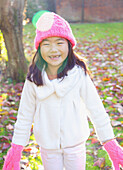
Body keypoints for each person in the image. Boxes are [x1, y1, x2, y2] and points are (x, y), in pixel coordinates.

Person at [3, 12, 123, 170]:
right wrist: (16, 148)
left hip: (75, 145)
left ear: (69, 45)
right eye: (46, 44)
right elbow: (24, 115)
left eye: (59, 43)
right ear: (39, 48)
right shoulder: (34, 78)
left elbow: (96, 110)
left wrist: (109, 142)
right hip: (48, 147)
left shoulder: (79, 75)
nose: (53, 49)